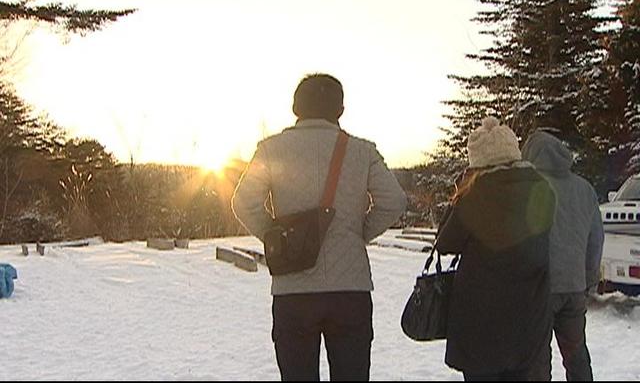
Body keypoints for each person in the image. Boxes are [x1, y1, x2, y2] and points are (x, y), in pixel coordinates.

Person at [231, 73, 407, 381]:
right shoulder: (362, 151)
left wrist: (277, 238)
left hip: (294, 290)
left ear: (296, 107)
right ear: (340, 109)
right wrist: (358, 233)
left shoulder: (271, 149)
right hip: (350, 291)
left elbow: (243, 202)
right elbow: (393, 201)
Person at [435, 116, 556, 381]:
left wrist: (460, 192)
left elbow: (445, 243)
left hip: (482, 323)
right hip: (530, 318)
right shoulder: (541, 188)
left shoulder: (474, 196)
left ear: (477, 161)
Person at [522, 129, 605, 381]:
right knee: (577, 356)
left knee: (537, 361)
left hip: (539, 291)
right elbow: (595, 240)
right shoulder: (585, 189)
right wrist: (588, 279)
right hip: (574, 288)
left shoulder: (529, 187)